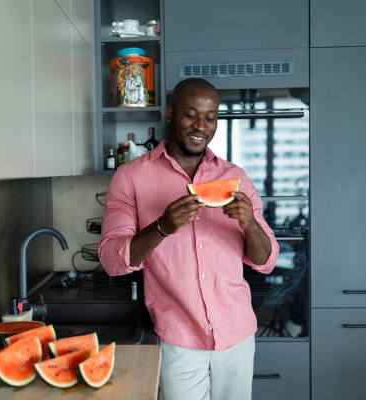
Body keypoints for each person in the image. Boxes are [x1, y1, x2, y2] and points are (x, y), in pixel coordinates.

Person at [98, 78, 279, 400]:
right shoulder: (130, 177)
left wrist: (250, 224)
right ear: (170, 114)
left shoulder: (234, 177)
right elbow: (112, 260)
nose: (201, 126)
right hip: (177, 337)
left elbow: (266, 261)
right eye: (191, 114)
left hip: (236, 332)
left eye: (211, 118)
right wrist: (162, 227)